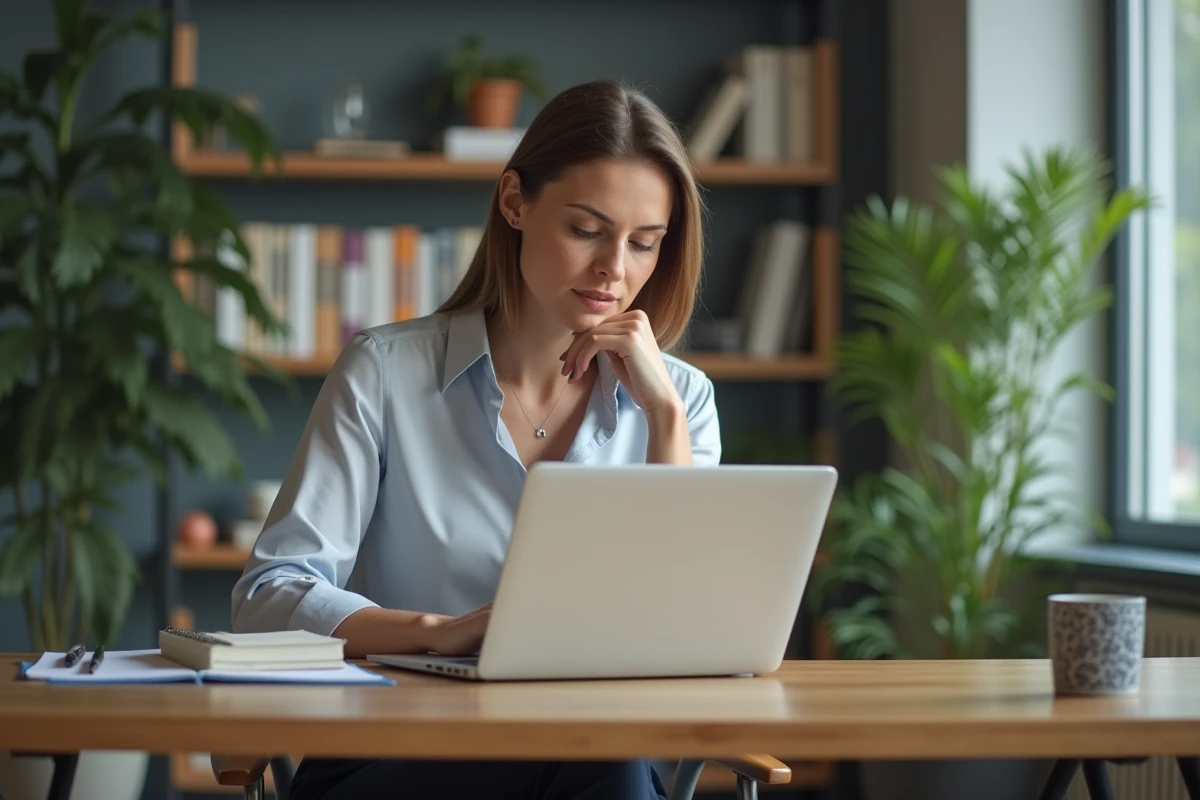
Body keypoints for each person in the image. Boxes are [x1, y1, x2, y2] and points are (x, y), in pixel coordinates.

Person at [230, 78, 720, 800]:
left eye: (644, 244)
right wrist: (436, 631)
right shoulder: (386, 373)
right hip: (395, 751)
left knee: (609, 767)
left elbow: (692, 632)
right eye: (587, 230)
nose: (615, 271)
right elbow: (266, 597)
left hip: (593, 754)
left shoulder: (681, 402)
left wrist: (665, 420)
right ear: (515, 202)